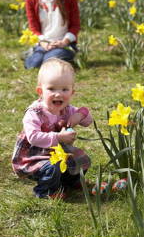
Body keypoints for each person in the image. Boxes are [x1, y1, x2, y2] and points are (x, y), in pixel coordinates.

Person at [12, 58, 93, 199]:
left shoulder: (67, 109)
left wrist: (80, 115)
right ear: (40, 91)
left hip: (58, 153)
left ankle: (71, 182)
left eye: (64, 89)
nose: (58, 94)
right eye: (51, 89)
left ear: (72, 92)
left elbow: (88, 121)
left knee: (82, 158)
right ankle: (45, 191)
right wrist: (59, 138)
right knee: (53, 167)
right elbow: (33, 138)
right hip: (34, 156)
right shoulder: (34, 113)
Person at [24, 0, 80, 69]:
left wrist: (64, 42)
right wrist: (44, 42)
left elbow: (75, 25)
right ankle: (35, 53)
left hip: (64, 43)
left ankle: (65, 54)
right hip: (44, 43)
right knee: (33, 65)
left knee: (48, 61)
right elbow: (33, 28)